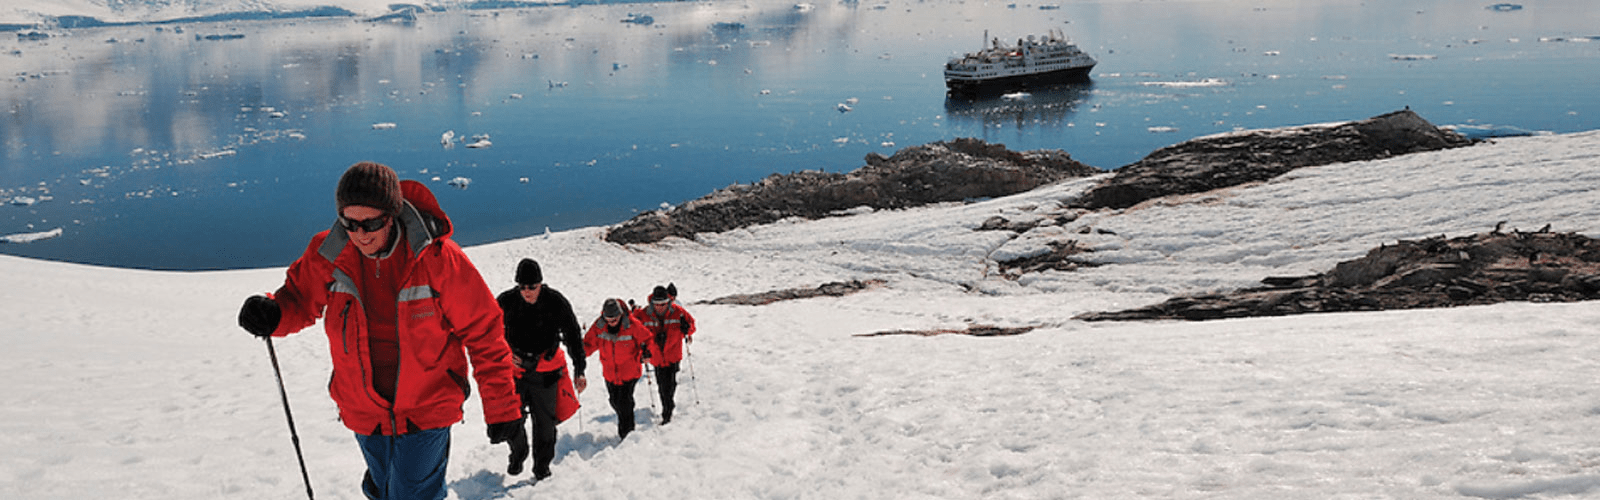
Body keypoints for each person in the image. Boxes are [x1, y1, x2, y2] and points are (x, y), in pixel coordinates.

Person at [236, 162, 524, 500]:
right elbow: (298, 299)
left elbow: (484, 332)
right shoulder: (329, 252)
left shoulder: (437, 258)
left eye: (371, 223)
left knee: (411, 495)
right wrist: (272, 314)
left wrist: (502, 406)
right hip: (365, 410)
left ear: (391, 215)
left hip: (427, 406)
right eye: (349, 223)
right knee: (385, 488)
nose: (360, 234)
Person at [495, 258, 586, 480]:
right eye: (522, 287)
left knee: (545, 425)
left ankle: (542, 468)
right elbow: (489, 331)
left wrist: (579, 369)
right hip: (516, 371)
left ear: (540, 284)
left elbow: (573, 335)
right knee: (511, 418)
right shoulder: (506, 301)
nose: (526, 291)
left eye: (531, 286)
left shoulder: (555, 302)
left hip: (546, 371)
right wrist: (505, 352)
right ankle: (519, 452)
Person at [582, 298, 651, 440]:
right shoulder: (599, 325)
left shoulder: (632, 324)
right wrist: (579, 352)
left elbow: (647, 339)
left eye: (614, 319)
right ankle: (626, 423)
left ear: (620, 314)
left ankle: (627, 435)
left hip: (629, 372)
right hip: (610, 373)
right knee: (614, 401)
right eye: (608, 319)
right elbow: (589, 343)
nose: (611, 322)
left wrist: (646, 353)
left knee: (624, 403)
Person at [634, 284, 696, 424]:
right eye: (657, 304)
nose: (660, 307)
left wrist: (687, 328)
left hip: (673, 354)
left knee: (671, 384)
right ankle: (667, 412)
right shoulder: (644, 314)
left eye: (663, 304)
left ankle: (668, 406)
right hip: (657, 356)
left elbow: (691, 325)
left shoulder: (678, 312)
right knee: (662, 385)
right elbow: (634, 328)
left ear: (668, 301)